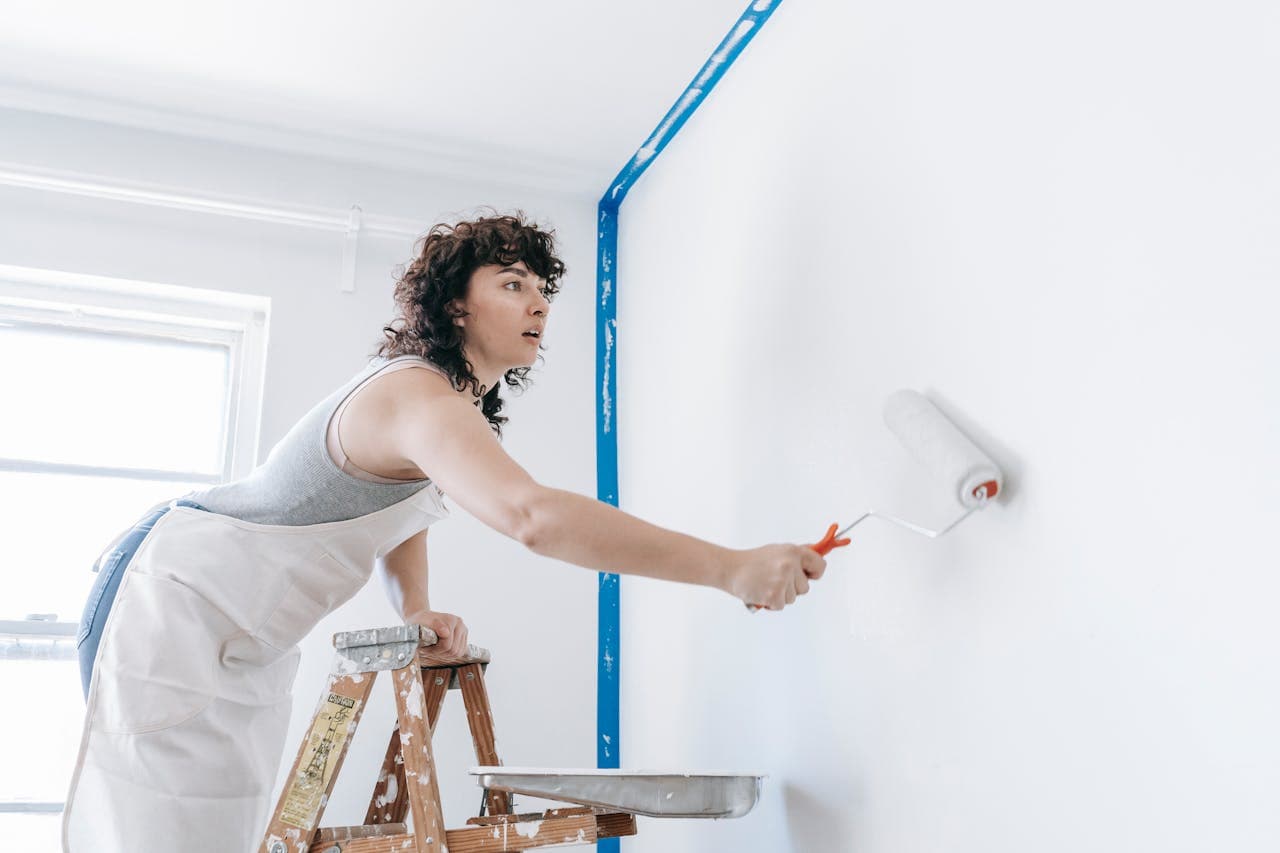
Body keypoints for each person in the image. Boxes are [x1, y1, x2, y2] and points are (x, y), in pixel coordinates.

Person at [63, 211, 826, 852]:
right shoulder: (417, 396)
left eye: (541, 289)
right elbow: (533, 518)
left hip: (240, 636)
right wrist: (731, 568)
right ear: (456, 306)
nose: (539, 304)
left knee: (217, 828)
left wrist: (413, 608)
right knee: (153, 831)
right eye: (512, 283)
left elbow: (397, 514)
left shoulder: (438, 411)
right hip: (175, 602)